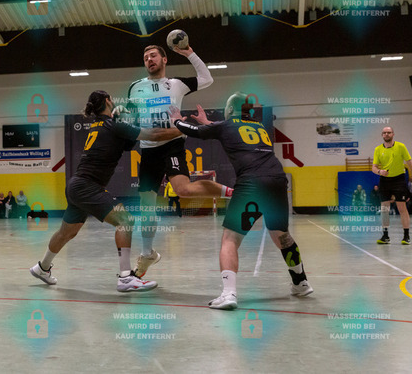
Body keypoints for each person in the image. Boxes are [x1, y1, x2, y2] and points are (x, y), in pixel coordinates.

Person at [169, 93, 313, 309]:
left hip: (252, 183)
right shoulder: (259, 127)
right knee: (282, 235)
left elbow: (194, 131)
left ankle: (229, 294)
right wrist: (209, 123)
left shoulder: (226, 126)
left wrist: (176, 121)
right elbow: (228, 130)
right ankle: (301, 282)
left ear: (229, 110)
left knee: (230, 239)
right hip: (277, 181)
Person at [31, 90, 184, 292]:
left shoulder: (101, 125)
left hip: (76, 185)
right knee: (125, 221)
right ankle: (126, 278)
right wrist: (183, 129)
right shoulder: (114, 125)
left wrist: (131, 117)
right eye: (111, 98)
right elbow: (153, 135)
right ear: (107, 101)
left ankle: (42, 268)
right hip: (88, 186)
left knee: (67, 232)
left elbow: (127, 144)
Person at [120, 43, 233, 278]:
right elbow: (131, 116)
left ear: (164, 60)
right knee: (147, 206)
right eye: (145, 57)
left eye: (153, 55)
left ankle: (233, 193)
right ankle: (147, 253)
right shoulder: (135, 87)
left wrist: (189, 52)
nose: (149, 59)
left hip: (172, 144)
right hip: (148, 149)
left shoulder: (176, 84)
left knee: (183, 190)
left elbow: (207, 79)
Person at [372, 126, 412, 245]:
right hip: (385, 180)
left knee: (402, 208)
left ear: (393, 134)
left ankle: (406, 236)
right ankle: (385, 236)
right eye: (384, 133)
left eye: (389, 132)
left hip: (399, 180)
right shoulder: (378, 149)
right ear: (382, 135)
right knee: (385, 209)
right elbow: (374, 167)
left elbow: (409, 162)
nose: (387, 134)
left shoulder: (401, 146)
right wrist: (380, 171)